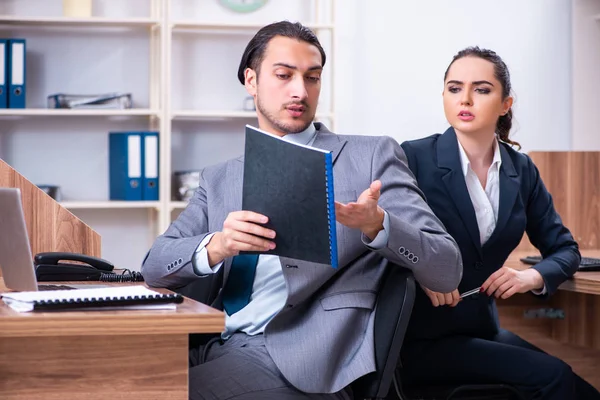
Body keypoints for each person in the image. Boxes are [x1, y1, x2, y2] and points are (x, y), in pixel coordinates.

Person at [141, 21, 463, 400]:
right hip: (210, 342)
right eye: (284, 75)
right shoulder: (220, 179)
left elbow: (446, 268)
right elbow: (154, 266)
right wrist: (218, 246)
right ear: (251, 80)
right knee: (101, 377)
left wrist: (381, 227)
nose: (300, 91)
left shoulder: (369, 158)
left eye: (312, 78)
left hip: (302, 362)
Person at [399, 46, 600, 399]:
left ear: (506, 103)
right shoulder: (412, 157)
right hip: (420, 338)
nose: (466, 99)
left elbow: (565, 249)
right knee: (553, 377)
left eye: (481, 89)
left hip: (483, 330)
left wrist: (531, 276)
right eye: (454, 88)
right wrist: (420, 270)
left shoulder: (521, 170)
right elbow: (384, 242)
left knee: (575, 385)